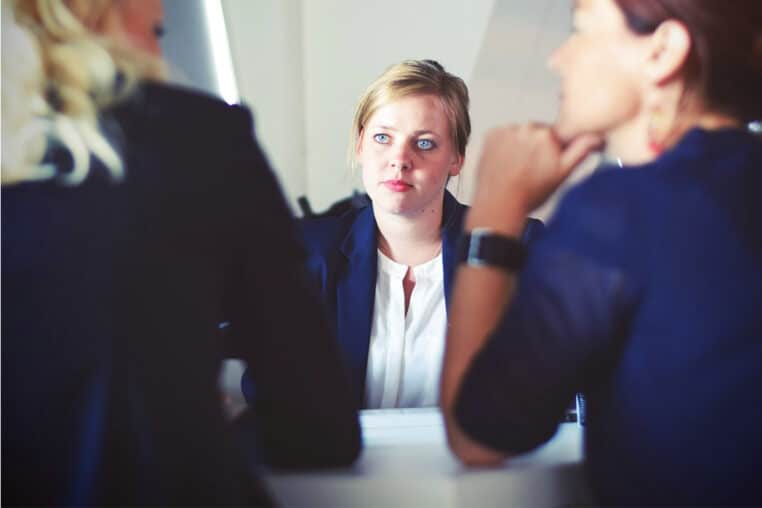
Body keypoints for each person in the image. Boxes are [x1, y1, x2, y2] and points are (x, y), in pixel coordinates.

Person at [1, 0, 360, 506]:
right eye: (158, 32)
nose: (159, 54)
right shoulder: (199, 137)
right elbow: (318, 426)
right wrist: (198, 418)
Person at [440, 0, 762, 505]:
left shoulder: (621, 209)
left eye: (582, 31)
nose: (558, 59)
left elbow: (478, 434)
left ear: (663, 51)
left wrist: (496, 208)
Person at [286, 60, 542, 409]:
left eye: (424, 143)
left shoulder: (516, 247)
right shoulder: (307, 253)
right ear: (360, 145)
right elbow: (271, 395)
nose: (400, 159)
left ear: (456, 159)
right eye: (382, 138)